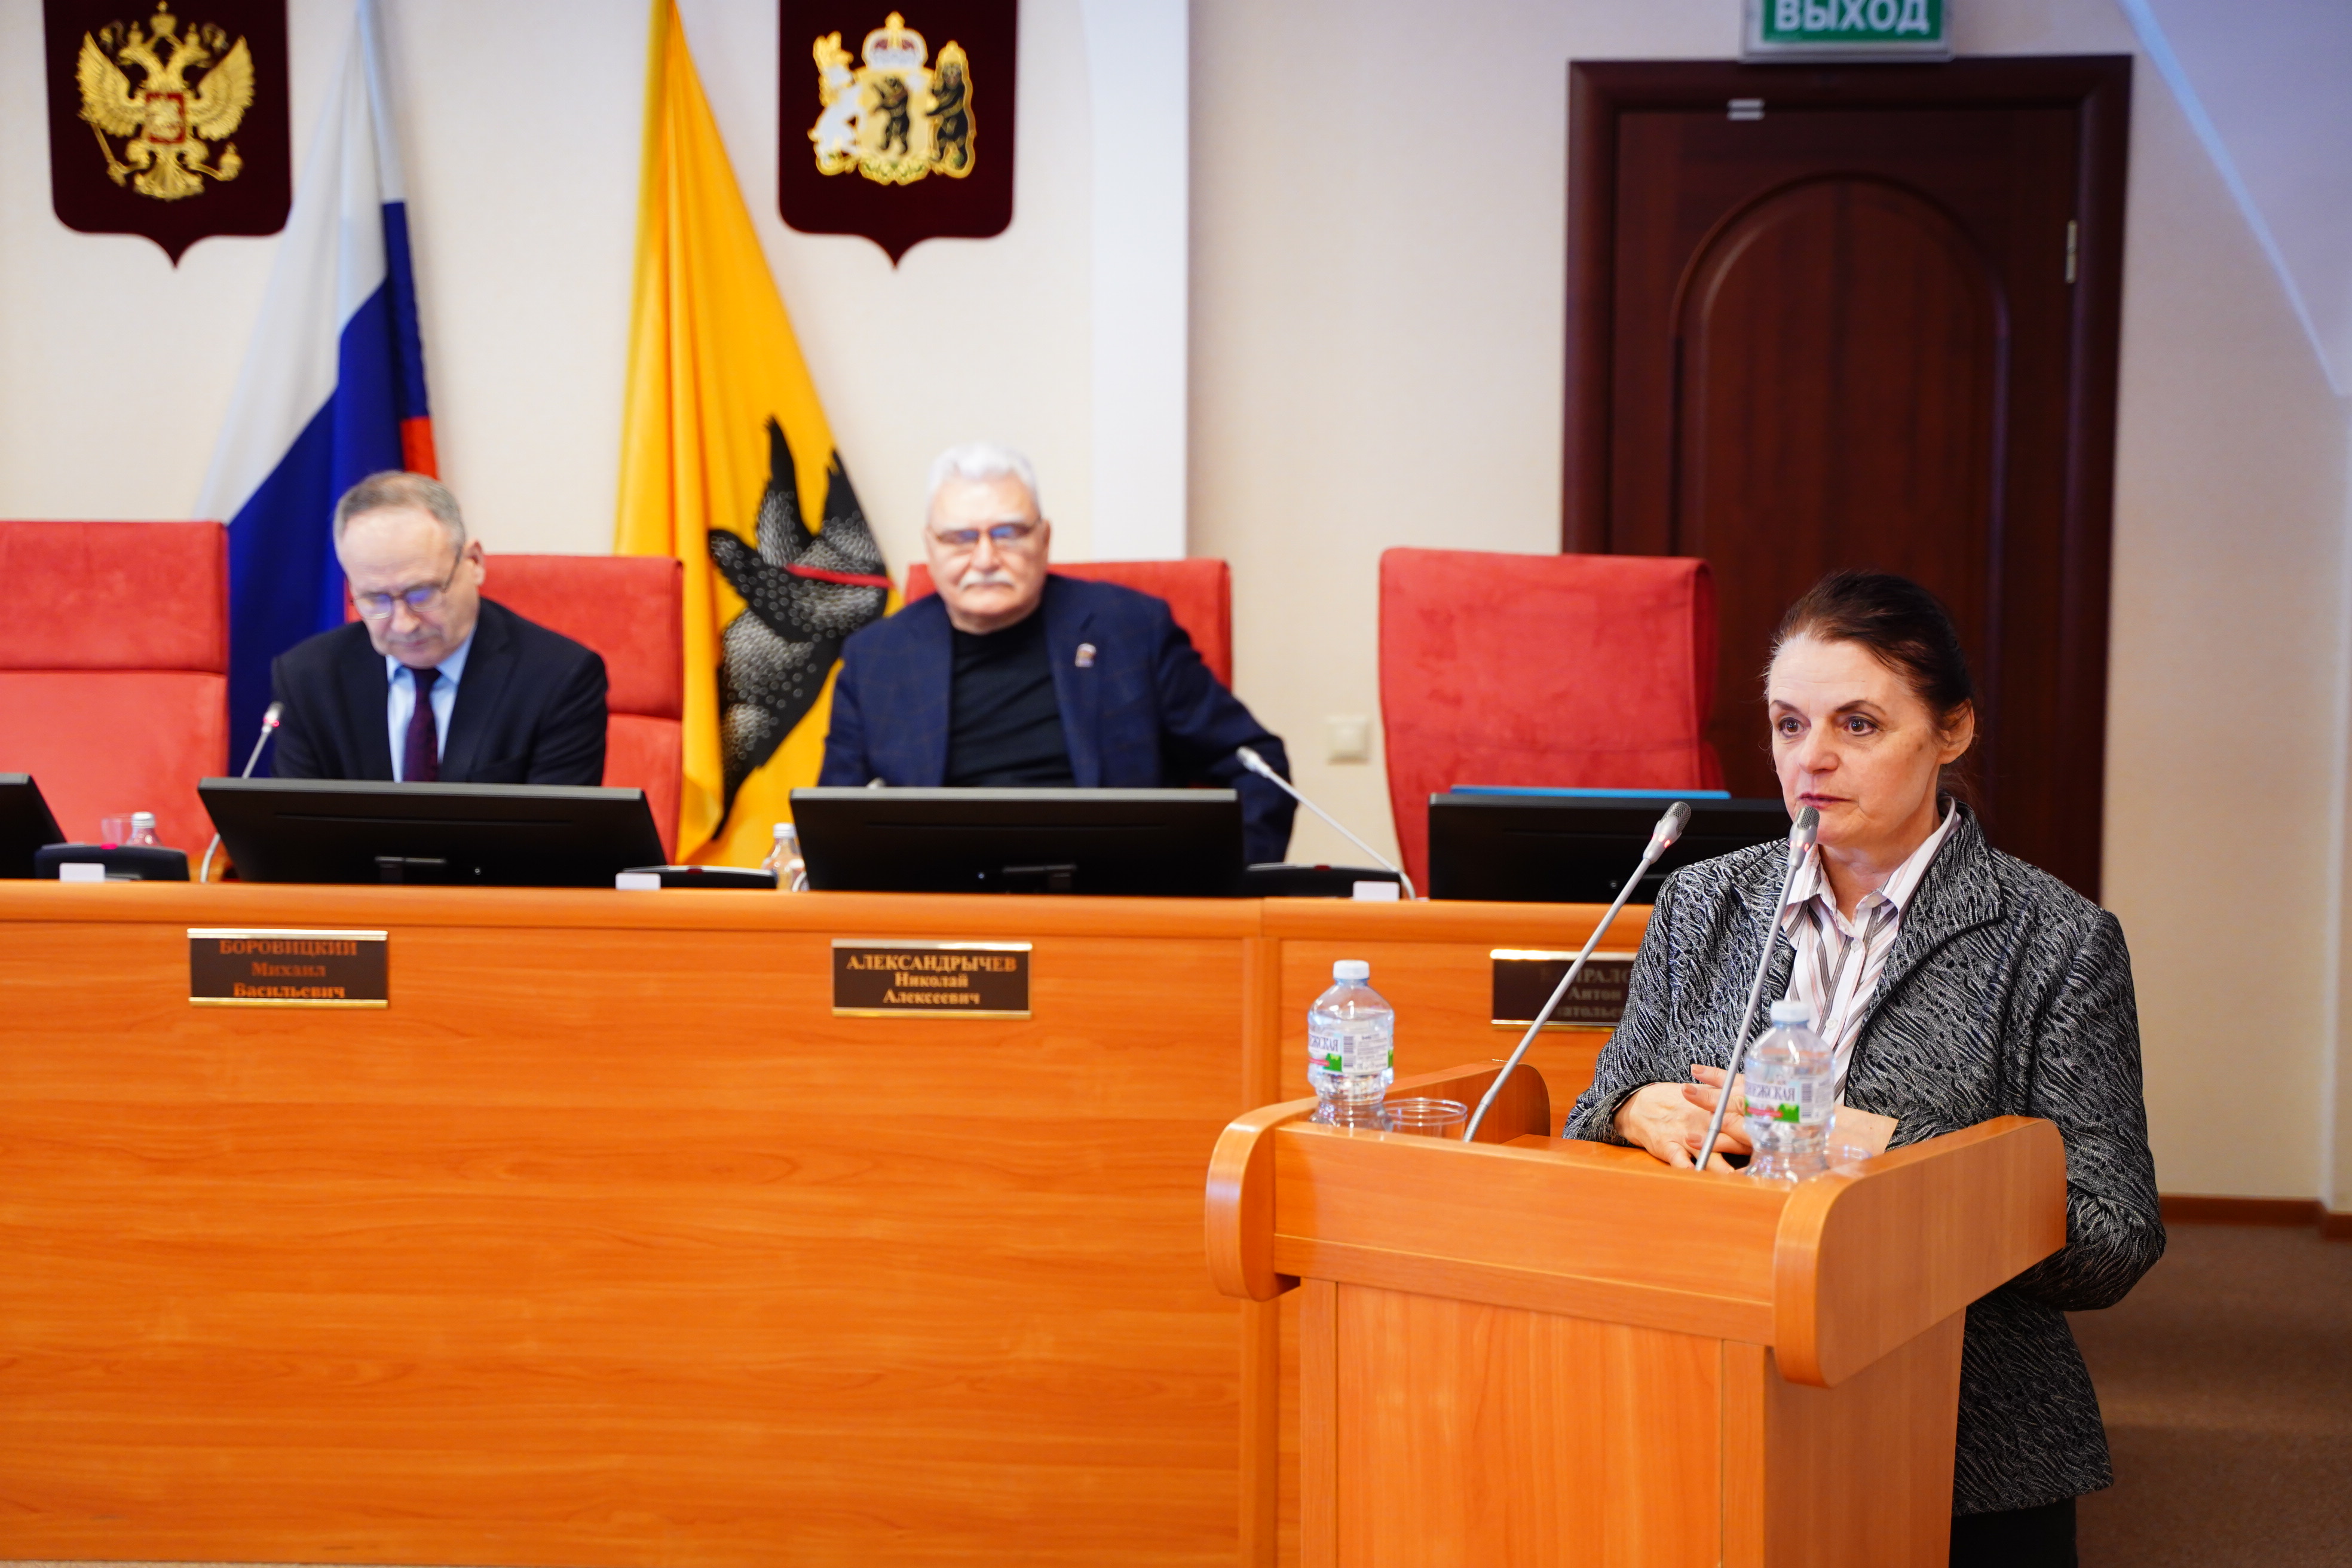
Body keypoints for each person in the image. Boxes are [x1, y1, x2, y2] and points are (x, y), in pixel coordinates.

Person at [1563, 569, 2162, 1568]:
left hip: (1965, 1437)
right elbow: (1589, 1117)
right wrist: (1632, 1112)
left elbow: (2112, 1238)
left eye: (1859, 724)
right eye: (1788, 724)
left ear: (1951, 730)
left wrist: (1874, 1142)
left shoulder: (2055, 941)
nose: (1813, 758)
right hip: (1705, 1403)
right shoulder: (1701, 904)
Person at [820, 442, 1296, 864]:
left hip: (1108, 897)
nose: (985, 559)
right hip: (938, 901)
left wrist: (1217, 886)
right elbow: (832, 819)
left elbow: (1258, 766)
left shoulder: (1132, 631)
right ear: (931, 547)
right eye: (961, 538)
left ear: (1044, 539)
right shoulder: (875, 658)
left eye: (1008, 533)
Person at [270, 472, 608, 786]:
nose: (404, 624)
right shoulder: (308, 677)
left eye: (422, 594)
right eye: (375, 599)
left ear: (474, 563)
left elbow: (551, 830)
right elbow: (295, 824)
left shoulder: (558, 679)